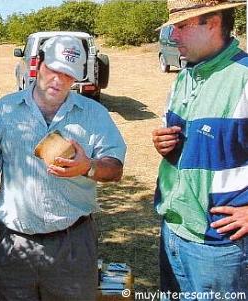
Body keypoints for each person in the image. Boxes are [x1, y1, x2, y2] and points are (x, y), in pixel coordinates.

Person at [0, 36, 126, 301]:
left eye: (68, 74)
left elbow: (115, 169)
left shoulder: (94, 114)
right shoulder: (4, 111)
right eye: (54, 69)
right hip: (16, 246)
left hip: (73, 244)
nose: (59, 80)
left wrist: (88, 167)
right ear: (37, 64)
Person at [151, 0, 248, 297]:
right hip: (174, 231)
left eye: (181, 27)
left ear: (214, 23)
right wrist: (163, 144)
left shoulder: (244, 78)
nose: (172, 36)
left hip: (220, 246)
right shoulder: (185, 76)